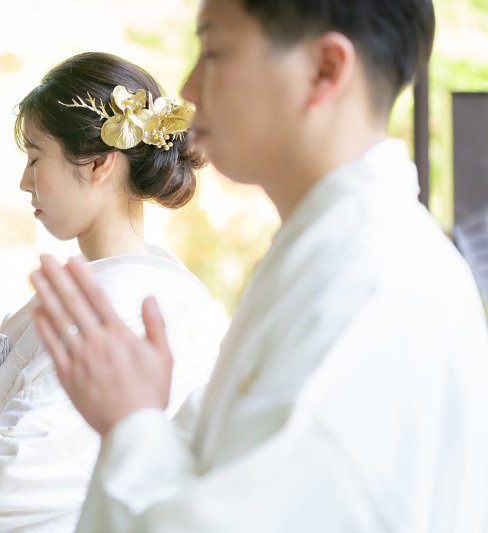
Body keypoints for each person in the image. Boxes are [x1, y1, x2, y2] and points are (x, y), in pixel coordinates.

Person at [31, 1, 488, 531]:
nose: (190, 87)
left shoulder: (373, 285)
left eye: (216, 51)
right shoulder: (329, 254)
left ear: (325, 70)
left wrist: (131, 421)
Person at [0, 52, 223, 532]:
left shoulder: (120, 308)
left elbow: (4, 483)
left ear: (100, 162)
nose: (24, 181)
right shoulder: (157, 290)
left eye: (36, 157)